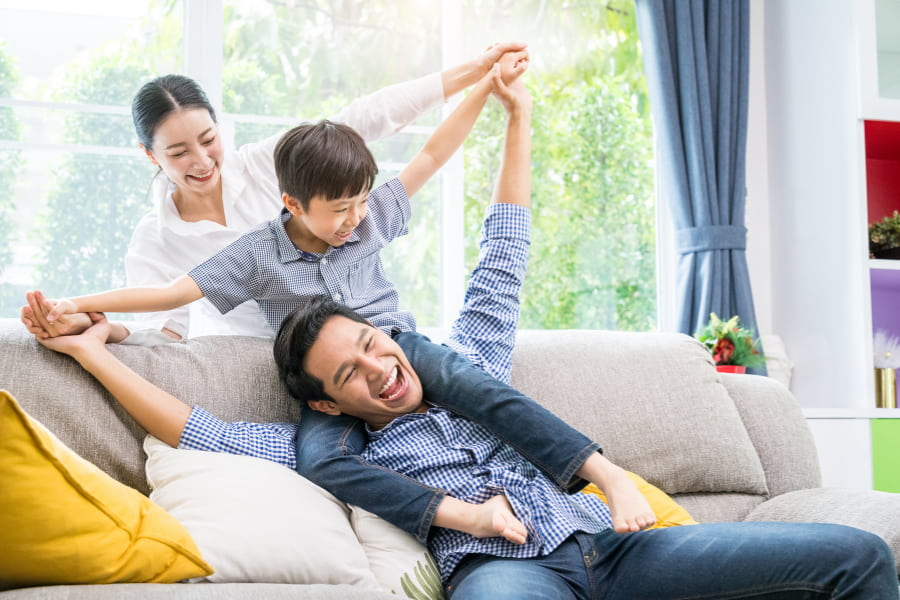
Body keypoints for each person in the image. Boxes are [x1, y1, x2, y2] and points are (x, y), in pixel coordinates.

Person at [274, 83, 899, 599]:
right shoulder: (338, 447)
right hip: (502, 571)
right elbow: (199, 428)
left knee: (858, 553)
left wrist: (518, 117)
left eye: (370, 342)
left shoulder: (469, 359)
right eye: (350, 374)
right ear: (327, 403)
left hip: (620, 546)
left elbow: (504, 250)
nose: (376, 366)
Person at [25, 69, 654, 542]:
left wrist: (490, 93)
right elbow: (170, 299)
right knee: (320, 457)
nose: (354, 221)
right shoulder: (254, 252)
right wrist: (79, 310)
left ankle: (605, 472)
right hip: (323, 378)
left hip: (403, 342)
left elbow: (434, 161)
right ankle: (465, 517)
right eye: (339, 210)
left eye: (207, 140)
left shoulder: (367, 215)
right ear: (293, 203)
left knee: (478, 386)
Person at [20, 42, 527, 344]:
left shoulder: (270, 162)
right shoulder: (159, 238)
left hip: (365, 334)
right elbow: (166, 327)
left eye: (208, 140)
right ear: (150, 156)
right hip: (284, 360)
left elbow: (367, 120)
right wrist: (97, 325)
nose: (201, 162)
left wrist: (477, 73)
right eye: (178, 154)